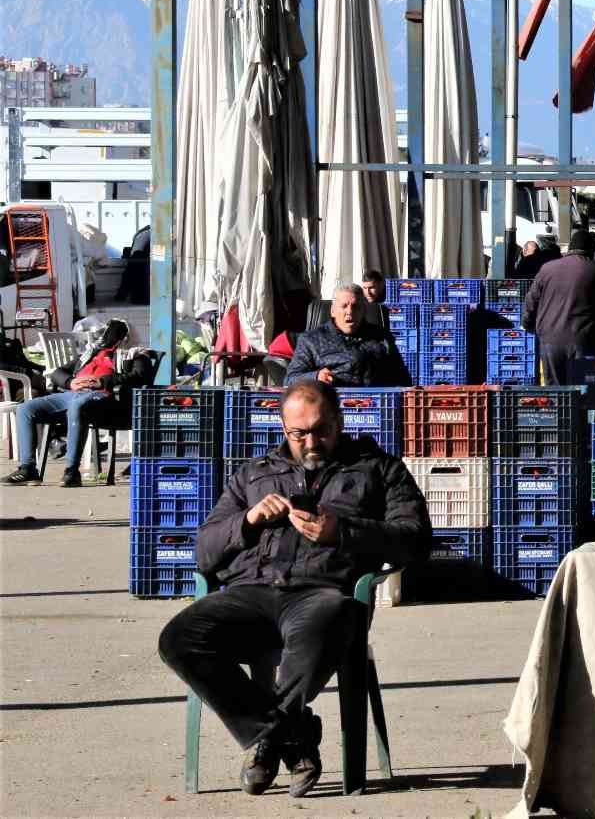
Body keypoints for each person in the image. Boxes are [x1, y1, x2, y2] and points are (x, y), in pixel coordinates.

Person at [157, 379, 431, 798]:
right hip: (250, 592)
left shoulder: (377, 469)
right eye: (298, 433)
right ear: (284, 429)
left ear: (339, 422)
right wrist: (246, 522)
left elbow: (415, 539)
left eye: (320, 429)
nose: (311, 441)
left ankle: (267, 742)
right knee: (179, 639)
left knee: (324, 622)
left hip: (324, 593)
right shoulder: (254, 473)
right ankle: (292, 736)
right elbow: (203, 552)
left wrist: (342, 531)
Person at [4, 319, 151, 487]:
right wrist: (70, 382)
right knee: (25, 408)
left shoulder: (135, 355)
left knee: (77, 406)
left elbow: (139, 376)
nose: (105, 337)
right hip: (73, 393)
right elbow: (57, 372)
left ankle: (72, 471)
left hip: (104, 398)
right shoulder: (91, 354)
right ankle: (28, 468)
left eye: (112, 333)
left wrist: (103, 382)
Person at [522, 230, 595, 382]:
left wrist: (528, 324)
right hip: (585, 340)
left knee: (557, 394)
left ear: (570, 248)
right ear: (590, 249)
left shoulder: (547, 269)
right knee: (585, 391)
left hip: (550, 339)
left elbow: (531, 301)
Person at [285, 285, 411, 387]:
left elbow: (401, 377)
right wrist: (316, 376)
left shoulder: (381, 337)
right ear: (333, 311)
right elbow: (290, 379)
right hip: (332, 406)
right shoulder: (311, 340)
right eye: (344, 306)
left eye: (356, 307)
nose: (350, 312)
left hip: (375, 406)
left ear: (363, 312)